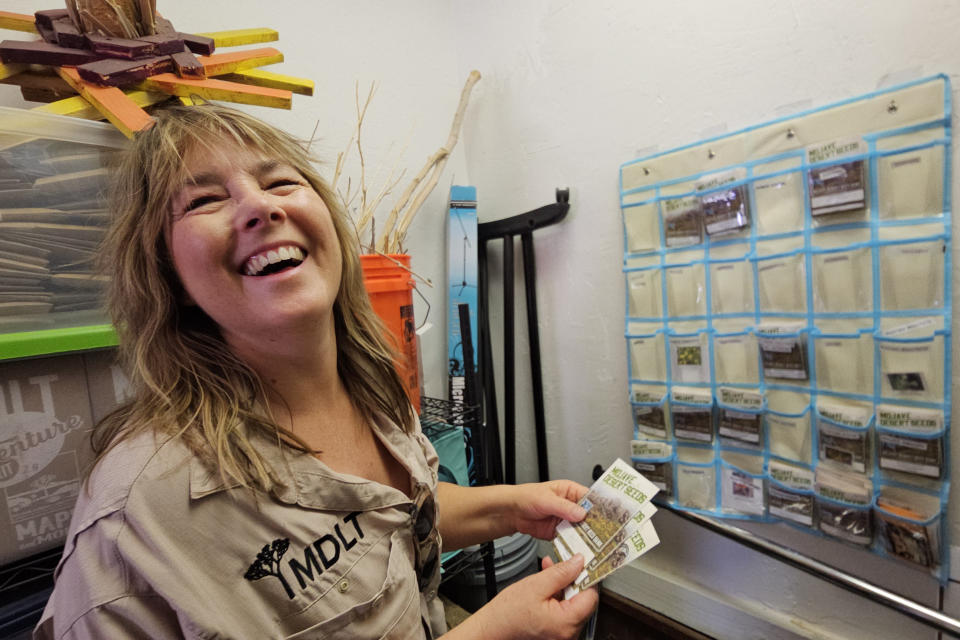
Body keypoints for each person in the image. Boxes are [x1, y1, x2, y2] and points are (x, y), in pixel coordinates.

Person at [34, 103, 598, 639]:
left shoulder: (374, 386)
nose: (261, 207)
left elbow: (393, 517)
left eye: (280, 182)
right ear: (168, 277)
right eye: (204, 200)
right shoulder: (139, 517)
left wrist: (514, 507)